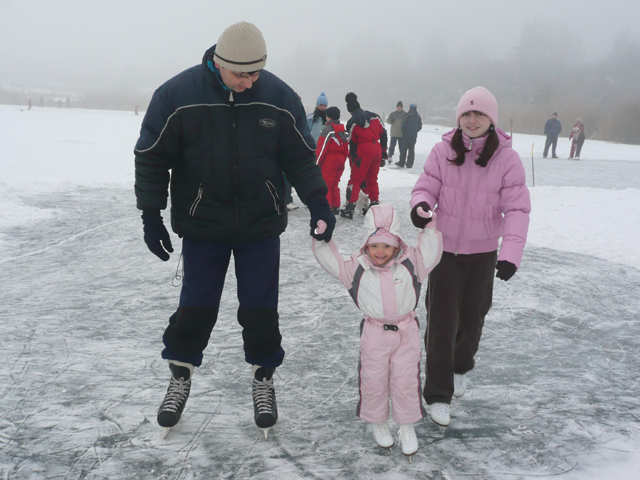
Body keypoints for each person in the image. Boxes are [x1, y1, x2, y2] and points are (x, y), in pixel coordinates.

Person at [133, 21, 336, 436]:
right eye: (241, 74)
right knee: (196, 306)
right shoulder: (177, 96)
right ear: (218, 64)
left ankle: (263, 378)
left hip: (260, 225)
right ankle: (180, 376)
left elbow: (301, 157)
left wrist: (319, 202)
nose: (249, 82)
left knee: (260, 308)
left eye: (256, 72)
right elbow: (151, 156)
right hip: (203, 223)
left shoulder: (278, 98)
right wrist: (150, 213)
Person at [410, 86, 531, 427]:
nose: (472, 119)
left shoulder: (507, 159)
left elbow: (518, 208)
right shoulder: (442, 151)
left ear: (491, 120)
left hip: (482, 254)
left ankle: (461, 365)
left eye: (480, 114)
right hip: (444, 252)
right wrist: (420, 208)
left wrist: (510, 254)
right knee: (441, 323)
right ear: (459, 117)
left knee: (474, 318)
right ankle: (437, 393)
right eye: (467, 113)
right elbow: (425, 187)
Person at [312, 204, 443, 458]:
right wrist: (321, 239)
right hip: (374, 334)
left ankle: (406, 427)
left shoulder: (412, 263)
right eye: (374, 246)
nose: (380, 252)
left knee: (406, 381)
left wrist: (428, 227)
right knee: (374, 380)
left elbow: (432, 249)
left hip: (407, 333)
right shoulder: (356, 268)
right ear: (366, 245)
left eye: (386, 246)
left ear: (397, 245)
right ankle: (378, 422)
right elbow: (331, 260)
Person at [340, 92, 388, 219]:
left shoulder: (351, 122)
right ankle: (374, 204)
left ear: (350, 110)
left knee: (355, 180)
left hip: (362, 151)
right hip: (376, 149)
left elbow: (350, 141)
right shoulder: (374, 116)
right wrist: (383, 152)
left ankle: (350, 207)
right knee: (372, 179)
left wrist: (354, 158)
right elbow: (383, 134)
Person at [316, 106, 349, 214]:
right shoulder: (342, 130)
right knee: (334, 184)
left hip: (329, 161)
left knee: (326, 185)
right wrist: (342, 160)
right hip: (340, 161)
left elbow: (322, 148)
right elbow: (345, 148)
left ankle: (328, 206)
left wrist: (316, 163)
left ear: (328, 117)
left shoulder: (328, 130)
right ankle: (335, 205)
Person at [398, 104, 422, 168]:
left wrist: (404, 132)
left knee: (404, 150)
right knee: (411, 150)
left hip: (405, 136)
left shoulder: (407, 115)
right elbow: (420, 126)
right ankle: (409, 164)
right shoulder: (418, 117)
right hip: (413, 137)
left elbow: (403, 126)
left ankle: (401, 163)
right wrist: (414, 131)